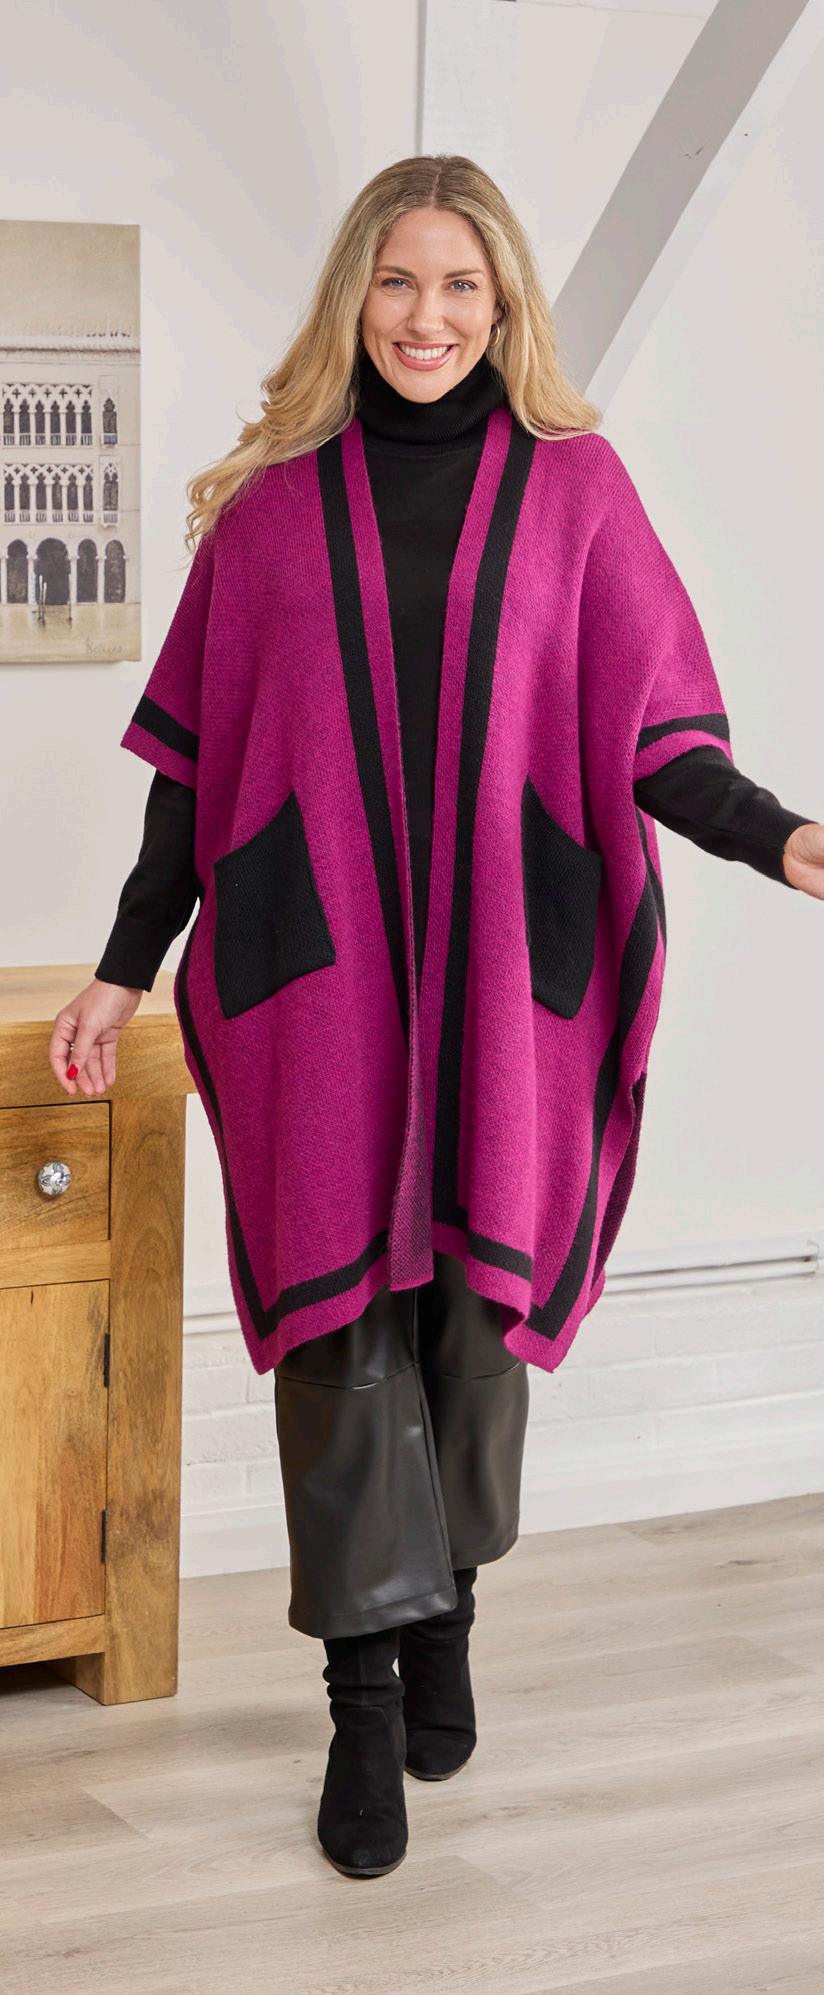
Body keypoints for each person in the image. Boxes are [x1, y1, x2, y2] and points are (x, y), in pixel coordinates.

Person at [49, 154, 823, 1881]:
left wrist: (779, 837)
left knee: (475, 1322)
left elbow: (654, 735)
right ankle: (361, 1707)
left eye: (460, 285)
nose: (426, 316)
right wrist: (122, 964)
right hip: (316, 973)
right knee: (340, 1333)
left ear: (502, 304)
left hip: (503, 970)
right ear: (356, 298)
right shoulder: (270, 508)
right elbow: (193, 776)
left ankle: (447, 1603)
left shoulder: (577, 491)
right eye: (398, 282)